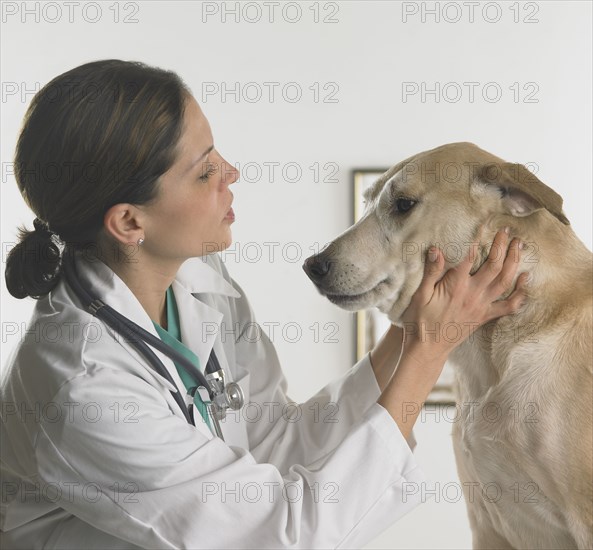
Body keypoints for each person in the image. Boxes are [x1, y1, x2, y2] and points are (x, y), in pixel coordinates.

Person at [0, 59, 528, 549]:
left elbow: (273, 439)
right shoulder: (84, 388)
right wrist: (430, 350)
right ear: (129, 222)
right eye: (204, 171)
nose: (232, 173)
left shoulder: (198, 273)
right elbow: (280, 532)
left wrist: (413, 333)